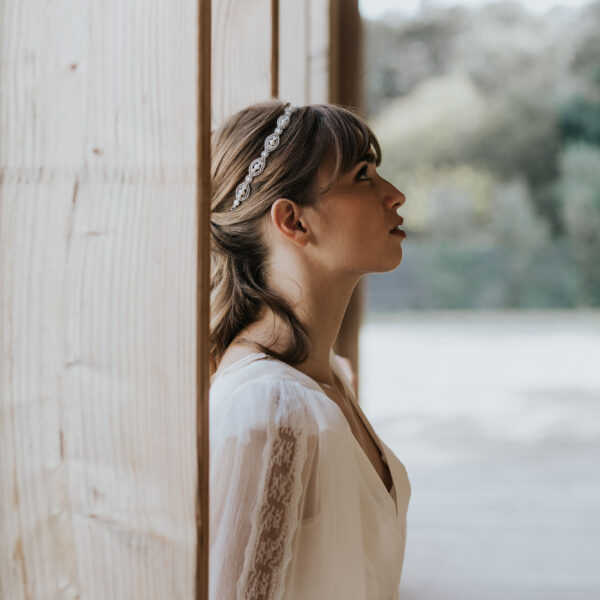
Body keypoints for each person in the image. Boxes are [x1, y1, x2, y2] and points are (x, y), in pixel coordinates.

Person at [209, 99, 411, 600]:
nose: (395, 195)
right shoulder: (273, 407)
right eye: (363, 176)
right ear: (293, 222)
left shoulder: (327, 380)